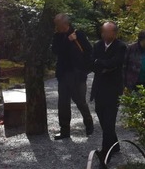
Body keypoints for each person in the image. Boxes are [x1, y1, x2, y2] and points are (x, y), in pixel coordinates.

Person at [51, 13, 94, 140]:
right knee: (63, 104)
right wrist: (67, 41)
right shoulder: (58, 36)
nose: (56, 27)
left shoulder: (79, 34)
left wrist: (84, 71)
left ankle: (89, 125)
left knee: (80, 101)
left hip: (77, 75)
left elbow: (89, 52)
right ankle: (64, 131)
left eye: (57, 24)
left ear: (64, 24)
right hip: (63, 74)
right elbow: (55, 51)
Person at [91, 21, 127, 164]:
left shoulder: (121, 46)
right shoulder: (98, 45)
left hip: (113, 89)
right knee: (101, 116)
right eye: (103, 32)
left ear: (114, 33)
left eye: (107, 32)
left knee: (109, 121)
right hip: (99, 87)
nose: (104, 34)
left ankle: (106, 153)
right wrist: (102, 65)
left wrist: (101, 63)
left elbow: (115, 63)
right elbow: (91, 62)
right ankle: (115, 145)